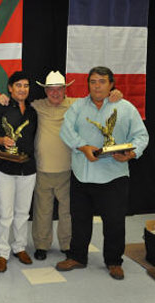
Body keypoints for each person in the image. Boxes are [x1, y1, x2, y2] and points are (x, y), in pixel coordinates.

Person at [0, 71, 123, 261]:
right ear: (45, 90)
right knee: (42, 211)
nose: (55, 93)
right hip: (41, 168)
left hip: (68, 169)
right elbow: (18, 102)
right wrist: (3, 98)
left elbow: (98, 99)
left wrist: (115, 94)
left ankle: (66, 244)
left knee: (67, 212)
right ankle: (41, 245)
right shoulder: (35, 106)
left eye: (59, 89)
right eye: (51, 89)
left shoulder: (76, 105)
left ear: (65, 89)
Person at [56, 66, 149, 280]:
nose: (97, 86)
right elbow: (66, 130)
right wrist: (82, 146)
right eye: (93, 81)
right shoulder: (78, 107)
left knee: (114, 222)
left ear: (111, 84)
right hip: (82, 174)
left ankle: (114, 261)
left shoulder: (125, 108)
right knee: (79, 220)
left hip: (113, 175)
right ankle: (78, 256)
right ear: (88, 84)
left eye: (102, 81)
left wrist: (131, 154)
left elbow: (141, 136)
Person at [0, 71, 37, 273]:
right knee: (5, 213)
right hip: (4, 169)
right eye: (18, 85)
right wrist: (0, 140)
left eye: (26, 85)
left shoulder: (33, 111)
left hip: (28, 169)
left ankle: (20, 247)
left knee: (23, 213)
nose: (22, 89)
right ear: (10, 88)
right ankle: (2, 252)